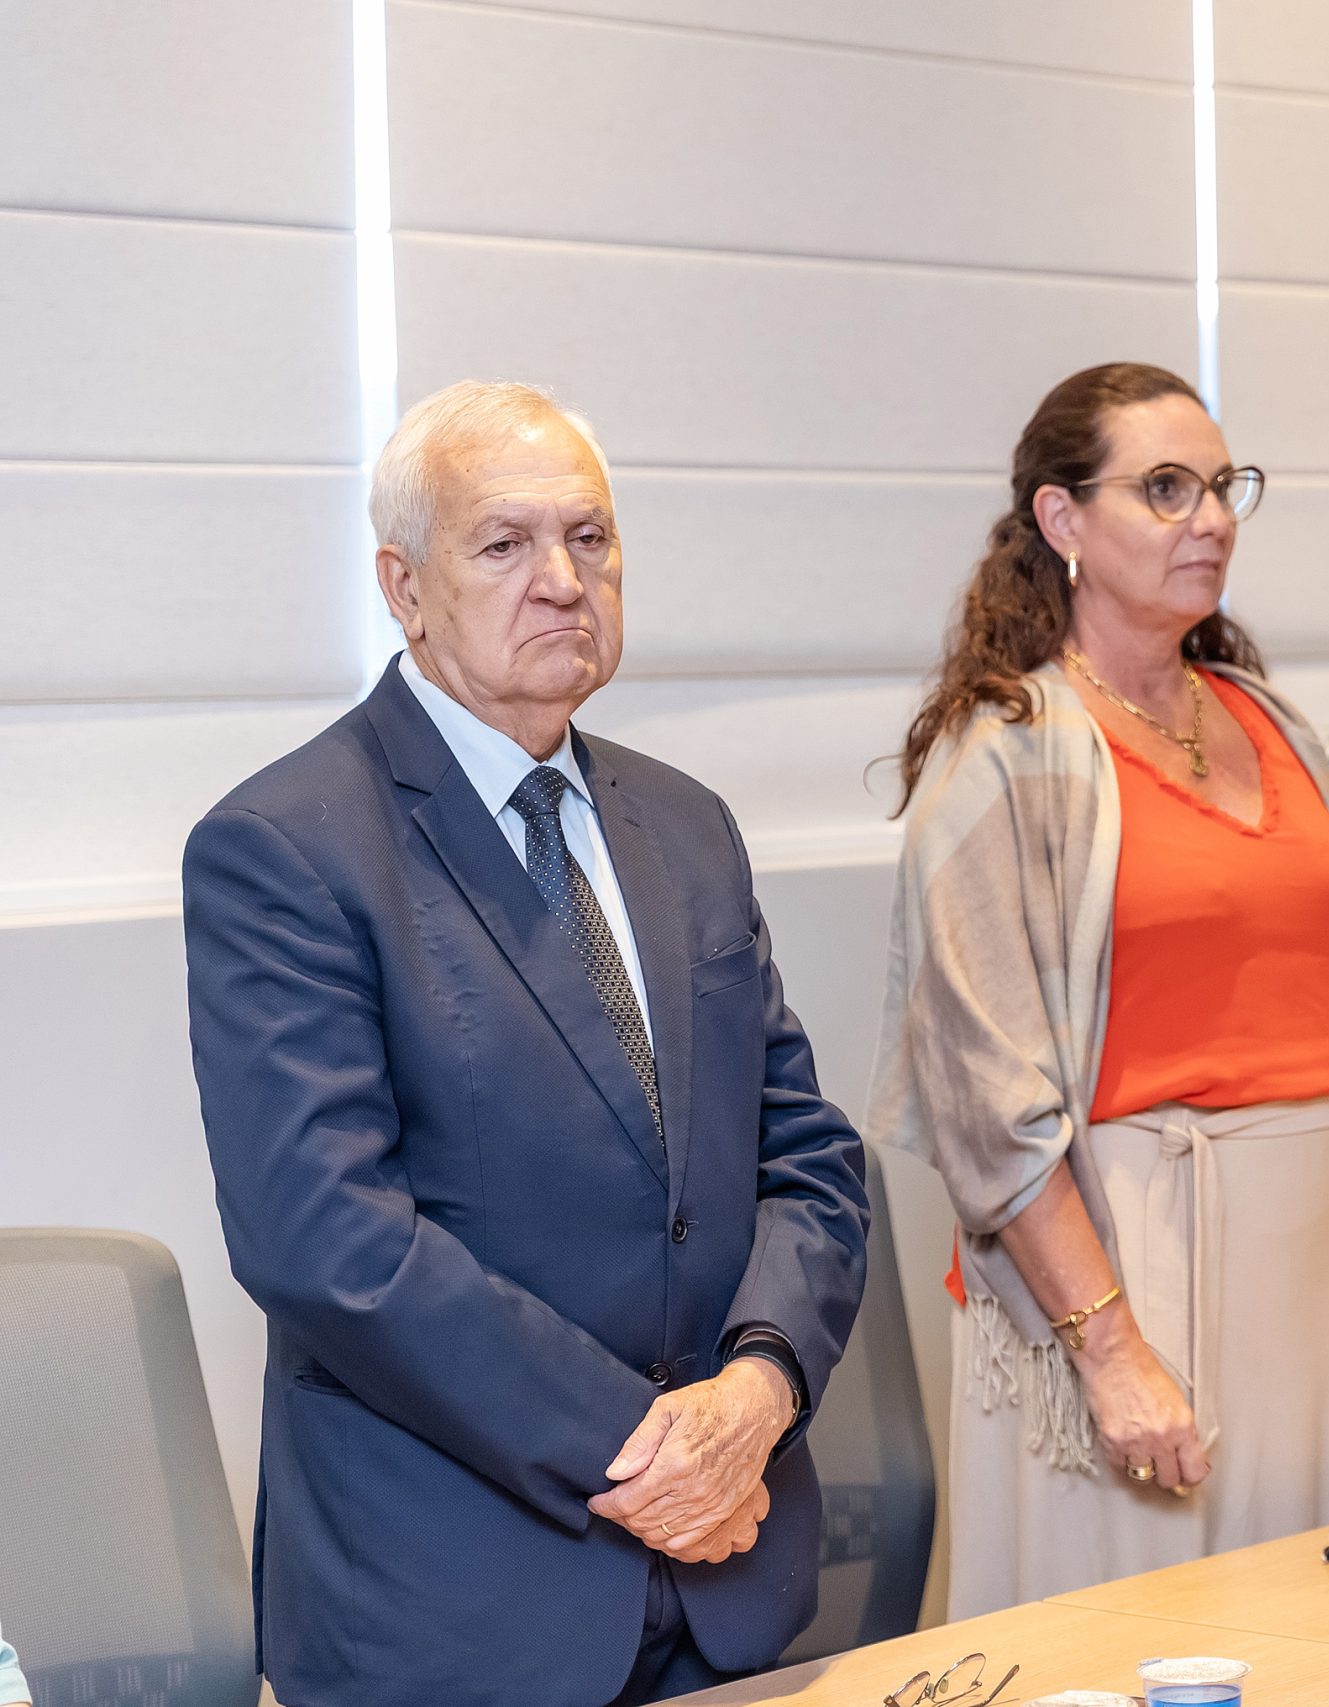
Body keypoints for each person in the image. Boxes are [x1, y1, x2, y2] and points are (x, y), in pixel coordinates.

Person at [182, 382, 870, 1707]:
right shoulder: (286, 845)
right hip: (457, 1611)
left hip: (726, 1581)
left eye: (590, 538)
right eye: (504, 543)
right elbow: (326, 1242)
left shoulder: (688, 826)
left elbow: (808, 1158)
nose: (563, 580)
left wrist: (761, 1388)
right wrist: (655, 1454)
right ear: (405, 586)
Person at [870, 361, 1329, 1619]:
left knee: (1314, 1642)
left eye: (1224, 487)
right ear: (1062, 519)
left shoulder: (1272, 724)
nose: (1212, 518)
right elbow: (987, 1103)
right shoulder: (1003, 755)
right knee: (1133, 1649)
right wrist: (1110, 1346)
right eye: (1167, 488)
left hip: (1307, 1263)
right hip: (1116, 1265)